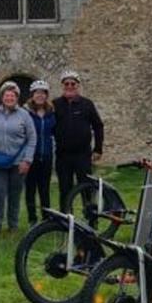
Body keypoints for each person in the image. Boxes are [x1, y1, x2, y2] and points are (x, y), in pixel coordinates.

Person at [0, 80, 36, 234]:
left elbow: (32, 138)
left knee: (15, 194)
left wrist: (27, 160)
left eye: (12, 96)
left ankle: (13, 225)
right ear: (2, 97)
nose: (9, 98)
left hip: (18, 163)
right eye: (6, 95)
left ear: (17, 98)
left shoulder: (25, 115)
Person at [52, 70, 103, 209]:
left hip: (83, 155)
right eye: (66, 83)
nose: (70, 86)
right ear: (62, 86)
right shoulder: (55, 105)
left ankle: (91, 220)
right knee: (65, 190)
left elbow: (98, 126)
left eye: (73, 83)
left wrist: (98, 149)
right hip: (63, 156)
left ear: (77, 85)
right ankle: (65, 221)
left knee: (87, 188)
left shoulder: (87, 104)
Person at [24, 79, 55, 224]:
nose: (40, 95)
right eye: (37, 92)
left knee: (44, 189)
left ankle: (46, 218)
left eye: (43, 93)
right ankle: (32, 219)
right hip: (31, 156)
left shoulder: (51, 113)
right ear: (32, 95)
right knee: (30, 189)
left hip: (47, 155)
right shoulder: (26, 113)